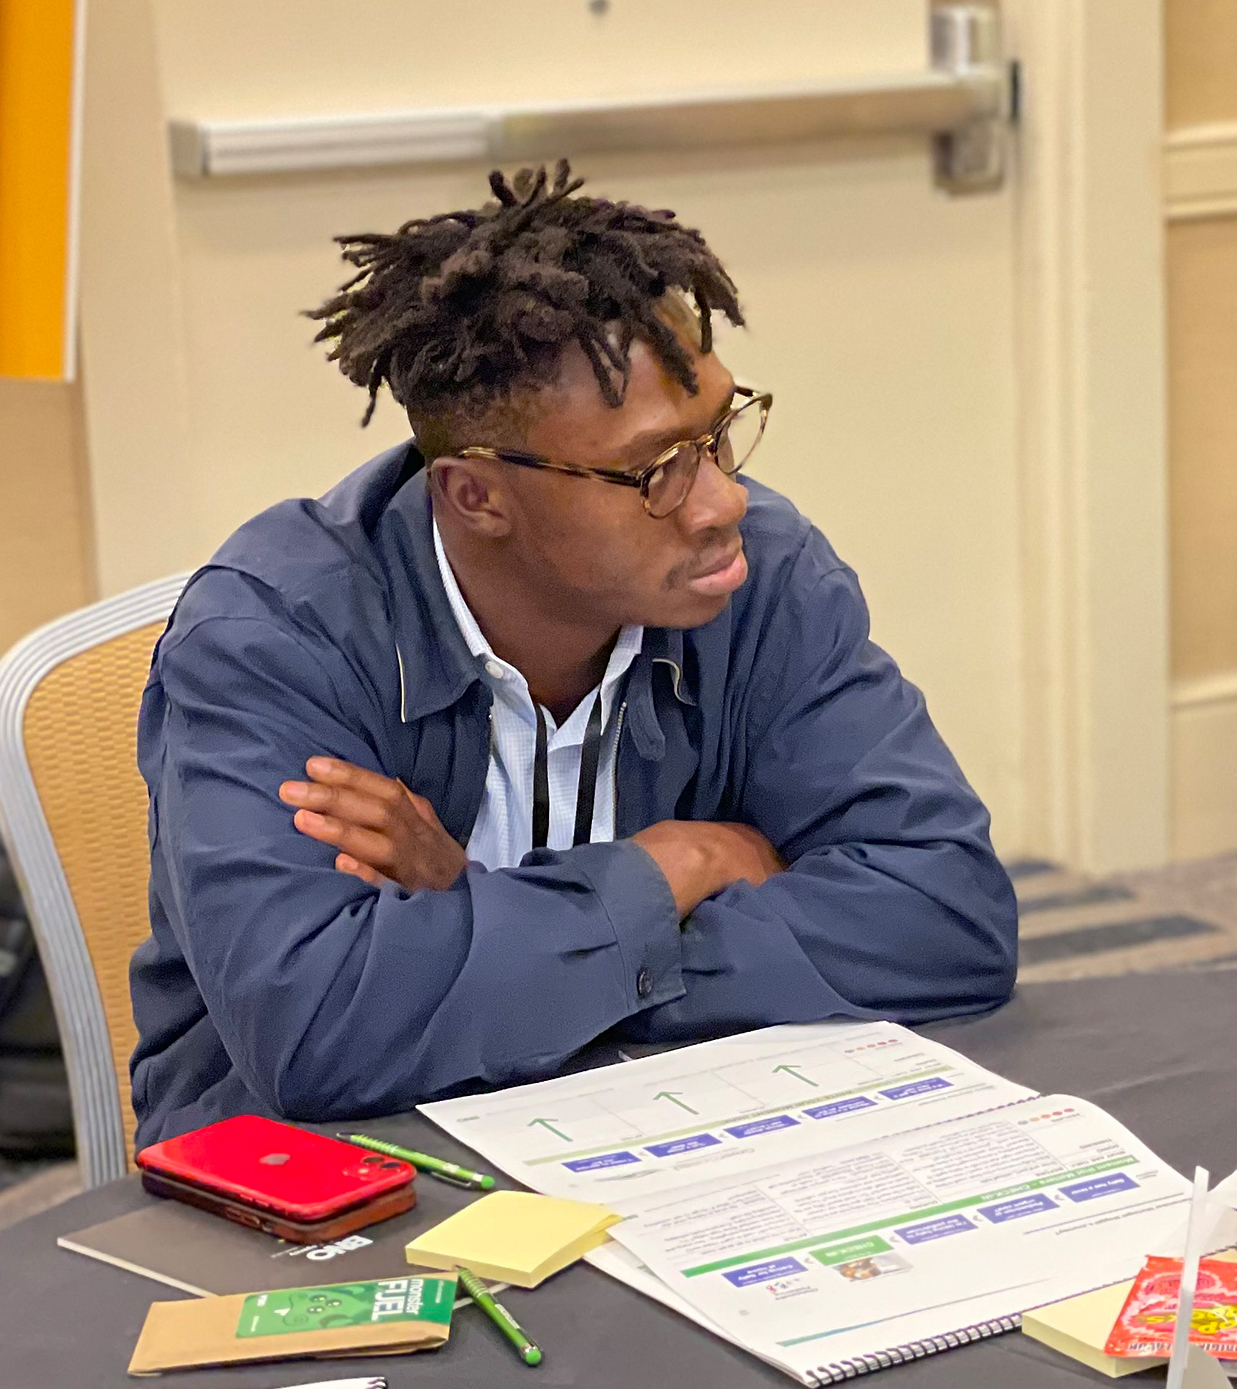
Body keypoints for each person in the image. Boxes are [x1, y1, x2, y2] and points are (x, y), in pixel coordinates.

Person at [130, 163, 1017, 1143]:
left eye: (720, 433)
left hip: (659, 1134)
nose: (722, 501)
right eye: (654, 469)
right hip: (338, 1187)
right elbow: (319, 1033)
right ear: (477, 496)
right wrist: (669, 867)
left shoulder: (762, 574)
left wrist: (478, 918)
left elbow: (947, 915)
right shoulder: (272, 635)